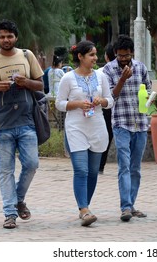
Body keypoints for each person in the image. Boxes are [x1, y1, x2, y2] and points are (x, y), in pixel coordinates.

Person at [0, 19, 44, 229]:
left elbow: (41, 84)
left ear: (16, 37)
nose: (6, 40)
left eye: (10, 36)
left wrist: (26, 82)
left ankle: (18, 198)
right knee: (5, 171)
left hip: (26, 122)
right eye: (2, 36)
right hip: (2, 124)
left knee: (32, 164)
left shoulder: (27, 56)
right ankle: (10, 213)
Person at [55, 40, 113, 226]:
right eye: (91, 55)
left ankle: (85, 206)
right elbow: (59, 103)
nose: (95, 58)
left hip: (96, 125)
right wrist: (78, 104)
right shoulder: (68, 78)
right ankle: (84, 209)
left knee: (93, 171)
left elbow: (110, 101)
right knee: (81, 169)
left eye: (96, 54)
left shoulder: (101, 76)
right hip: (76, 127)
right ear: (80, 57)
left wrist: (101, 101)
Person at [103, 35, 151, 222]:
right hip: (121, 123)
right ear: (115, 53)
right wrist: (122, 79)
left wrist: (148, 98)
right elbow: (110, 97)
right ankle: (125, 207)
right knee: (124, 166)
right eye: (121, 55)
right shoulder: (108, 70)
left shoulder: (140, 67)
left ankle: (131, 204)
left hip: (140, 123)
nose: (124, 59)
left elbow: (147, 89)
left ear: (132, 53)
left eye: (127, 55)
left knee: (135, 168)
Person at [97, 43, 116, 174]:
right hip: (111, 107)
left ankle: (99, 165)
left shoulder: (100, 72)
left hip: (105, 108)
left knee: (104, 135)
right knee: (108, 135)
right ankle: (100, 165)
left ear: (106, 57)